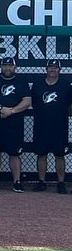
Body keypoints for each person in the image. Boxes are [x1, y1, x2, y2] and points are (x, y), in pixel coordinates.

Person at [0, 57, 32, 192]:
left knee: (14, 154)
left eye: (10, 66)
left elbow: (27, 101)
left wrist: (12, 111)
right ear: (1, 67)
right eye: (5, 66)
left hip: (14, 123)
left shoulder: (21, 82)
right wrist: (0, 108)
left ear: (15, 67)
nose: (7, 68)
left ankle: (17, 181)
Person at [30, 59, 71, 193]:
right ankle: (41, 181)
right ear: (46, 69)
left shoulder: (66, 85)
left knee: (60, 155)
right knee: (41, 154)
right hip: (41, 125)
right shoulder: (38, 84)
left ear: (59, 70)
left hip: (59, 126)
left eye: (55, 68)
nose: (52, 70)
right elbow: (34, 102)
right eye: (50, 67)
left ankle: (60, 182)